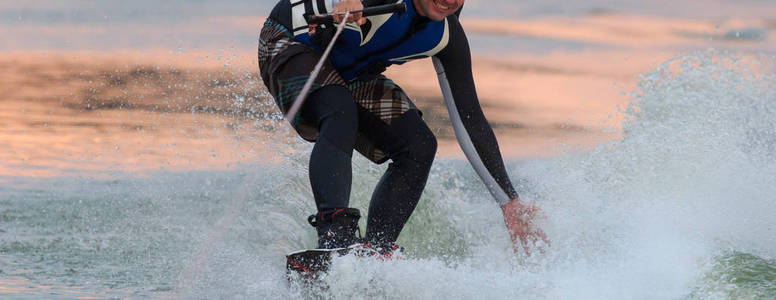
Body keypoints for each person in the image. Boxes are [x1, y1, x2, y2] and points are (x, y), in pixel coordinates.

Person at [258, 0, 549, 255]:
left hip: (352, 72)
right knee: (339, 111)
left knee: (418, 145)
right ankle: (334, 235)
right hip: (288, 43)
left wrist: (509, 202)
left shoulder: (448, 38)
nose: (449, 0)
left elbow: (469, 119)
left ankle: (376, 250)